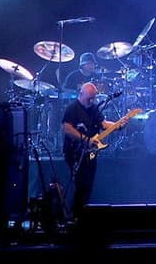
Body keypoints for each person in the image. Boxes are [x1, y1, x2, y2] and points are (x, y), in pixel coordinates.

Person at [61, 82, 116, 218]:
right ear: (81, 94)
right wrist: (87, 139)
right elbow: (67, 129)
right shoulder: (72, 109)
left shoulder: (93, 109)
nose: (91, 101)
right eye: (89, 98)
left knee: (88, 184)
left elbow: (103, 124)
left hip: (91, 153)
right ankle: (75, 215)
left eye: (93, 98)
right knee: (81, 184)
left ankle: (81, 215)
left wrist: (117, 125)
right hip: (74, 153)